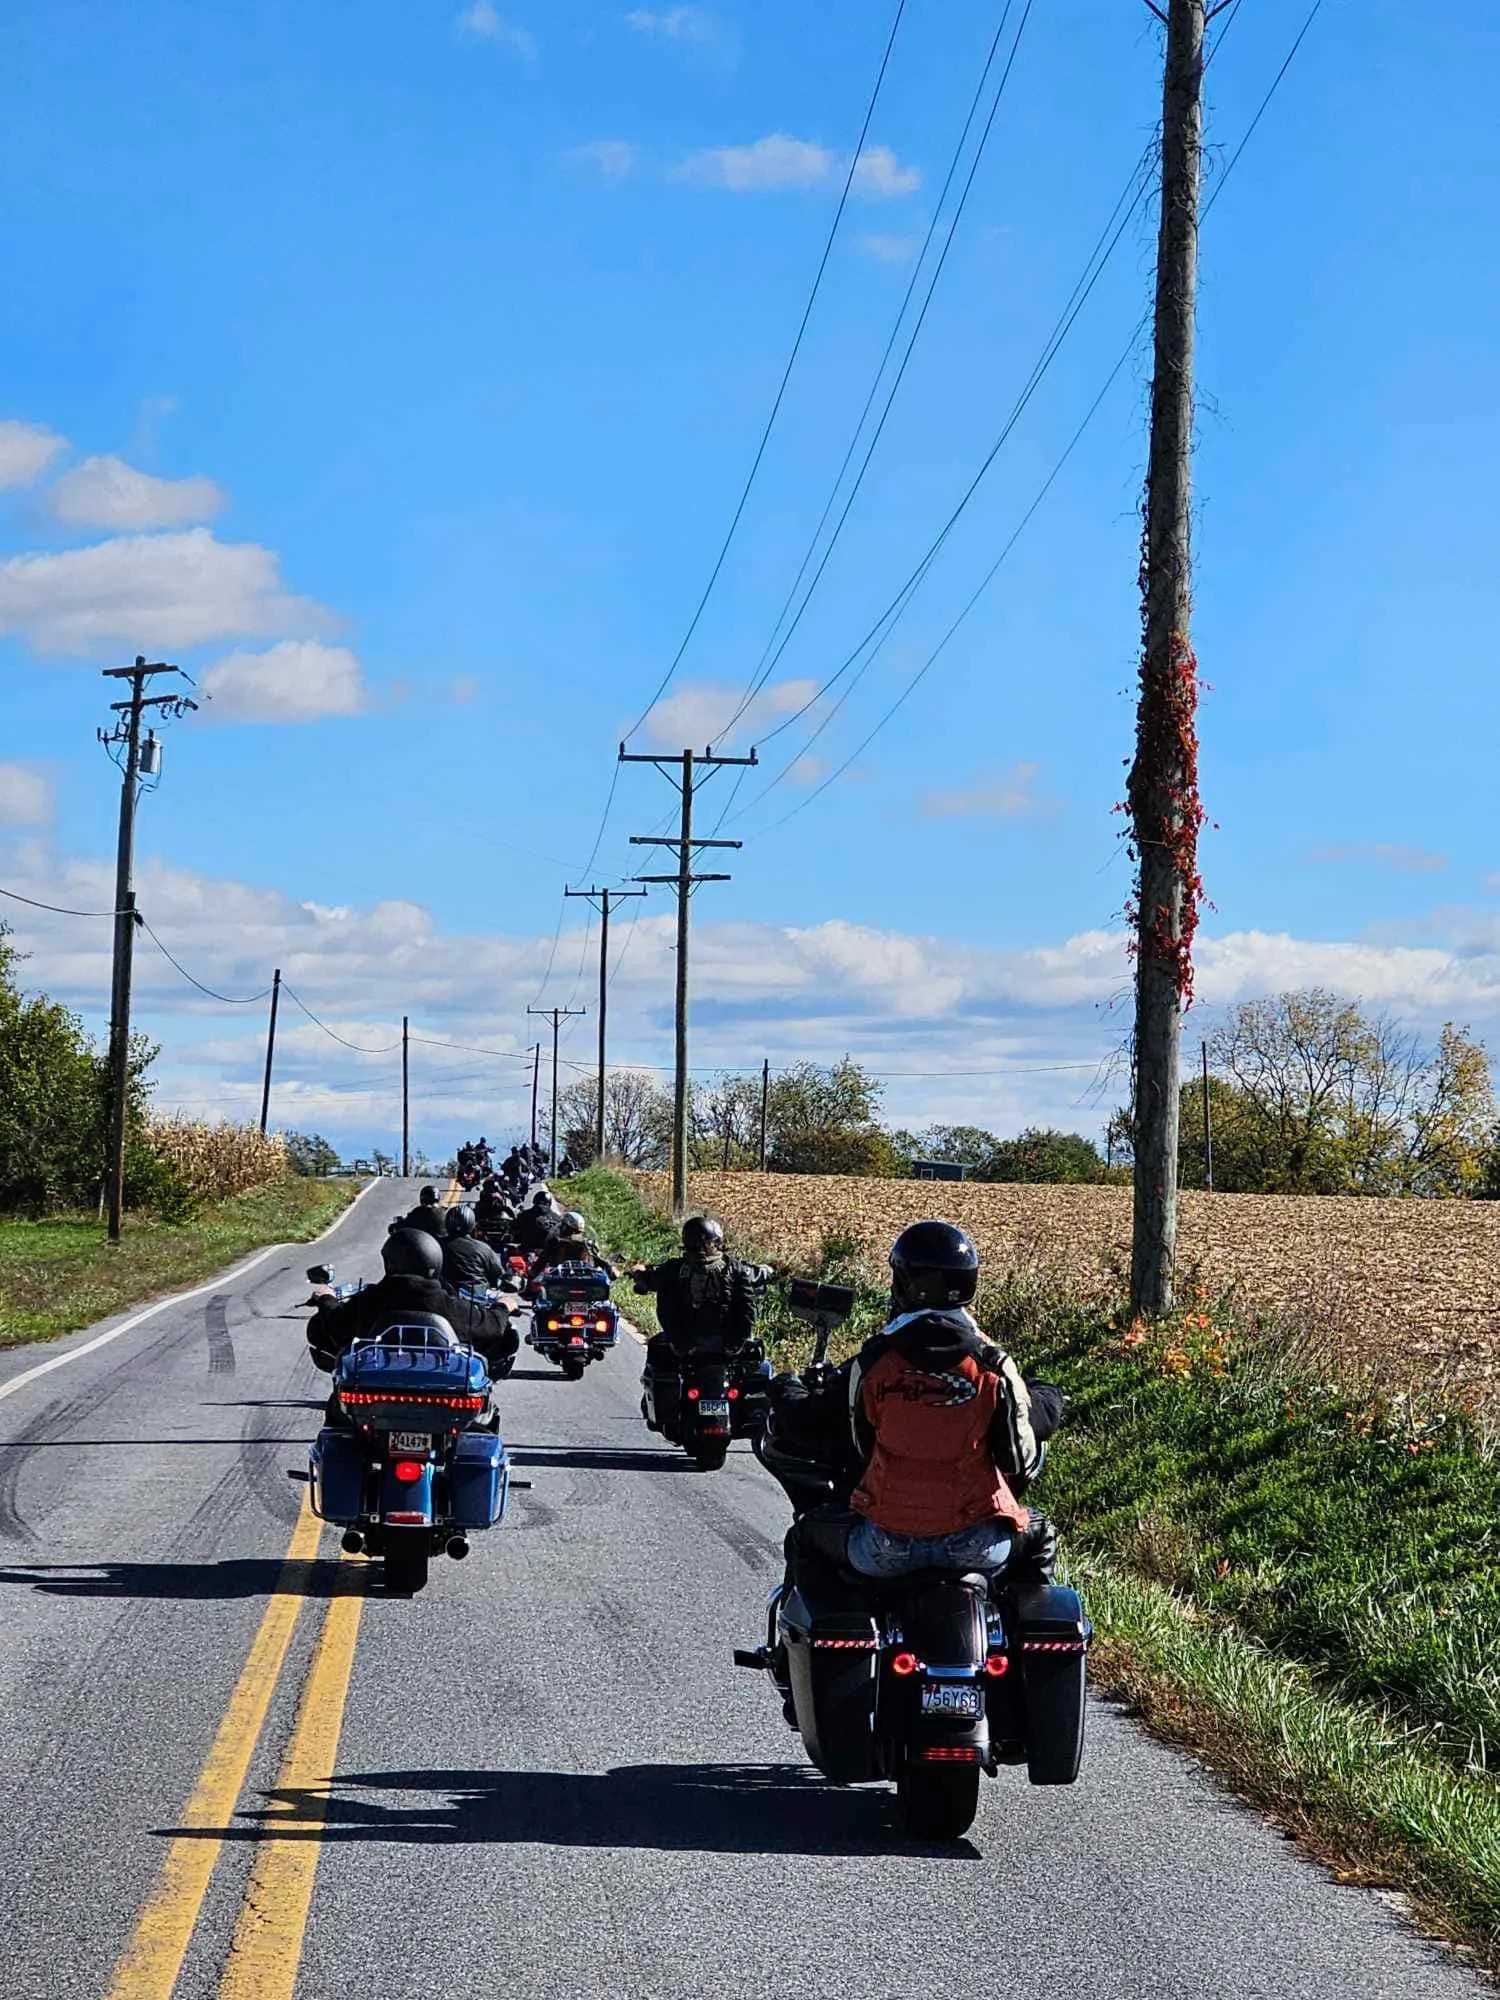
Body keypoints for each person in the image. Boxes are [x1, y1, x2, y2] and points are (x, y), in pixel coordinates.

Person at [770, 1220, 1061, 1590]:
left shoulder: (874, 1364)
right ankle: (1020, 1636)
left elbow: (846, 1437)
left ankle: (829, 1637)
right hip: (977, 1546)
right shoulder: (994, 1367)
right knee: (1039, 1533)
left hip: (884, 1547)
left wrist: (785, 1389)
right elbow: (1017, 1458)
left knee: (806, 1537)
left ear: (905, 1282)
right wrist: (1046, 1393)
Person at [307, 1227, 518, 1380]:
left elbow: (336, 1323)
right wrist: (503, 1306)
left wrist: (326, 1297)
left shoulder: (372, 1300)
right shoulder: (449, 1305)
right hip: (442, 1388)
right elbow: (492, 1326)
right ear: (434, 1262)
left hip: (376, 1384)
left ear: (389, 1262)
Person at [632, 1215, 771, 1436]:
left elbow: (650, 1281)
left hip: (685, 1345)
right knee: (760, 1361)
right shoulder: (735, 1268)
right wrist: (736, 1342)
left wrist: (638, 1274)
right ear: (717, 1241)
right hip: (729, 1346)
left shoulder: (674, 1269)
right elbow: (750, 1305)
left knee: (657, 1350)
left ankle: (664, 1414)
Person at [530, 1210, 615, 1280]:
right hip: (583, 1281)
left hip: (559, 1281)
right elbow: (600, 1261)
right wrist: (611, 1272)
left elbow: (542, 1261)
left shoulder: (556, 1242)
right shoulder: (587, 1244)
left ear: (565, 1227)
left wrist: (531, 1275)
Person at [442, 1204, 509, 1292]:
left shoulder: (436, 1245)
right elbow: (499, 1275)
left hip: (445, 1297)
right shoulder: (483, 1248)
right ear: (471, 1224)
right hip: (476, 1296)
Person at [511, 1188, 560, 1255]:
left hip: (527, 1250)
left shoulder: (524, 1214)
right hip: (550, 1253)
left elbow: (514, 1231)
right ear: (549, 1203)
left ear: (535, 1201)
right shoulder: (557, 1217)